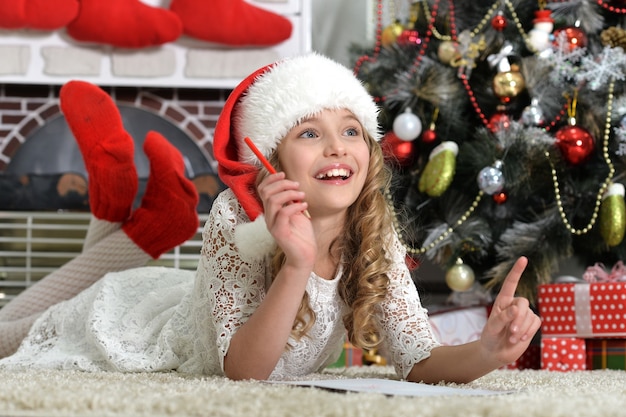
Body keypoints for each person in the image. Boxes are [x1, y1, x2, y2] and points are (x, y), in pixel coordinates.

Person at [0, 53, 541, 383]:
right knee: (8, 336)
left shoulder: (373, 232)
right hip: (130, 325)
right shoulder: (237, 219)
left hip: (169, 291)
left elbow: (419, 359)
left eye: (351, 131)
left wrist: (487, 352)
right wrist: (296, 266)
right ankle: (123, 206)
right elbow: (243, 372)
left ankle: (122, 206)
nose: (337, 148)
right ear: (269, 161)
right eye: (309, 133)